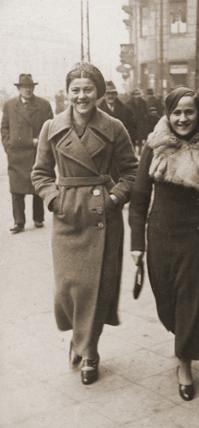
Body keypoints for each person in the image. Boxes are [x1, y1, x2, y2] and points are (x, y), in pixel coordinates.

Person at [31, 62, 138, 385]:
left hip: (100, 213)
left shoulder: (114, 127)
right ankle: (80, 338)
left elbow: (132, 172)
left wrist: (114, 198)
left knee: (96, 289)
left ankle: (89, 352)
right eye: (75, 90)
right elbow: (40, 173)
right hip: (67, 215)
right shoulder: (51, 127)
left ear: (98, 93)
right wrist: (53, 199)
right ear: (67, 93)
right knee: (69, 289)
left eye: (88, 90)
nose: (81, 96)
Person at [129, 87, 199, 401]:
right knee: (167, 303)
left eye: (189, 111)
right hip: (161, 235)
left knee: (192, 301)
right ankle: (182, 337)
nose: (183, 118)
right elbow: (139, 197)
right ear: (167, 114)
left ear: (198, 113)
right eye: (177, 112)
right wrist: (137, 244)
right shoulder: (155, 146)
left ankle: (184, 363)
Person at [1, 73, 53, 233]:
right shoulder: (9, 105)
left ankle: (38, 218)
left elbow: (52, 125)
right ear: (19, 89)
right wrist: (8, 145)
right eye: (24, 87)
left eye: (30, 87)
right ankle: (19, 222)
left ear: (33, 88)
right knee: (16, 190)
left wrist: (45, 145)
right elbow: (4, 128)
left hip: (38, 152)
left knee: (37, 184)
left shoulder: (43, 105)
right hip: (17, 154)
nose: (27, 90)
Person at [126, 88, 150, 155]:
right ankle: (133, 151)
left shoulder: (143, 102)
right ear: (132, 95)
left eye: (138, 94)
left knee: (140, 137)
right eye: (135, 94)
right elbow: (127, 112)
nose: (137, 96)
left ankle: (140, 152)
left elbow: (146, 112)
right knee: (132, 137)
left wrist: (145, 119)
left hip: (140, 122)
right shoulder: (129, 103)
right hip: (132, 123)